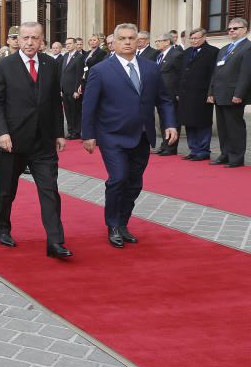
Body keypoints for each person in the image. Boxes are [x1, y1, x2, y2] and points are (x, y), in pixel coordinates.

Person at [82, 23, 176, 248]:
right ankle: (113, 224)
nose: (127, 42)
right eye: (122, 38)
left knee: (134, 184)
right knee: (118, 179)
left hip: (142, 135)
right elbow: (89, 105)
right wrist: (88, 134)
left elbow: (163, 99)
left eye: (131, 38)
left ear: (139, 41)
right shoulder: (101, 70)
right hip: (112, 135)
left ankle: (123, 223)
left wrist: (170, 124)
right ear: (112, 42)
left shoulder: (151, 67)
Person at [0, 22, 71, 258]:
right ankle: (2, 228)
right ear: (18, 39)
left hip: (43, 142)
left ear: (42, 40)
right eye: (25, 38)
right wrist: (2, 133)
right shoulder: (4, 66)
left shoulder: (52, 65)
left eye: (35, 38)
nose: (30, 42)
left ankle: (55, 242)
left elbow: (56, 102)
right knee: (6, 192)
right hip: (11, 141)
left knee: (50, 191)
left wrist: (58, 133)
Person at [207, 17, 251, 167]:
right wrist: (211, 92)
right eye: (230, 28)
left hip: (234, 95)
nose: (231, 30)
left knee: (235, 128)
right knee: (223, 128)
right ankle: (225, 154)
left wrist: (239, 94)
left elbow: (245, 74)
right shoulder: (225, 48)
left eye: (235, 28)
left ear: (245, 30)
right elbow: (216, 72)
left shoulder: (247, 48)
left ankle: (236, 157)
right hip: (220, 94)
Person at [177, 28, 218, 161]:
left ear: (204, 37)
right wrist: (178, 91)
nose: (193, 41)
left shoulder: (213, 52)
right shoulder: (187, 52)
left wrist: (211, 93)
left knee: (202, 123)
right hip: (186, 94)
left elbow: (214, 75)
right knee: (189, 122)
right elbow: (181, 73)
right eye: (192, 38)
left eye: (196, 38)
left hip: (203, 94)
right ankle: (193, 150)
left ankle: (203, 151)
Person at [152, 32, 184, 155]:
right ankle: (164, 145)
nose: (157, 43)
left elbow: (181, 75)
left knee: (172, 120)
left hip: (171, 93)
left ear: (167, 42)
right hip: (160, 93)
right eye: (157, 41)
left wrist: (178, 92)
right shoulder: (160, 55)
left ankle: (171, 147)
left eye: (159, 41)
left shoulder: (176, 54)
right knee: (163, 120)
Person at [60, 37, 85, 139]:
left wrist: (76, 90)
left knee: (75, 112)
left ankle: (76, 132)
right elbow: (63, 73)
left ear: (75, 44)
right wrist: (61, 89)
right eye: (66, 44)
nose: (67, 45)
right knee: (68, 112)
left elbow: (79, 75)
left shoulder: (79, 57)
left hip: (73, 90)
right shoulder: (65, 55)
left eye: (70, 43)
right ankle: (70, 131)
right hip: (65, 90)